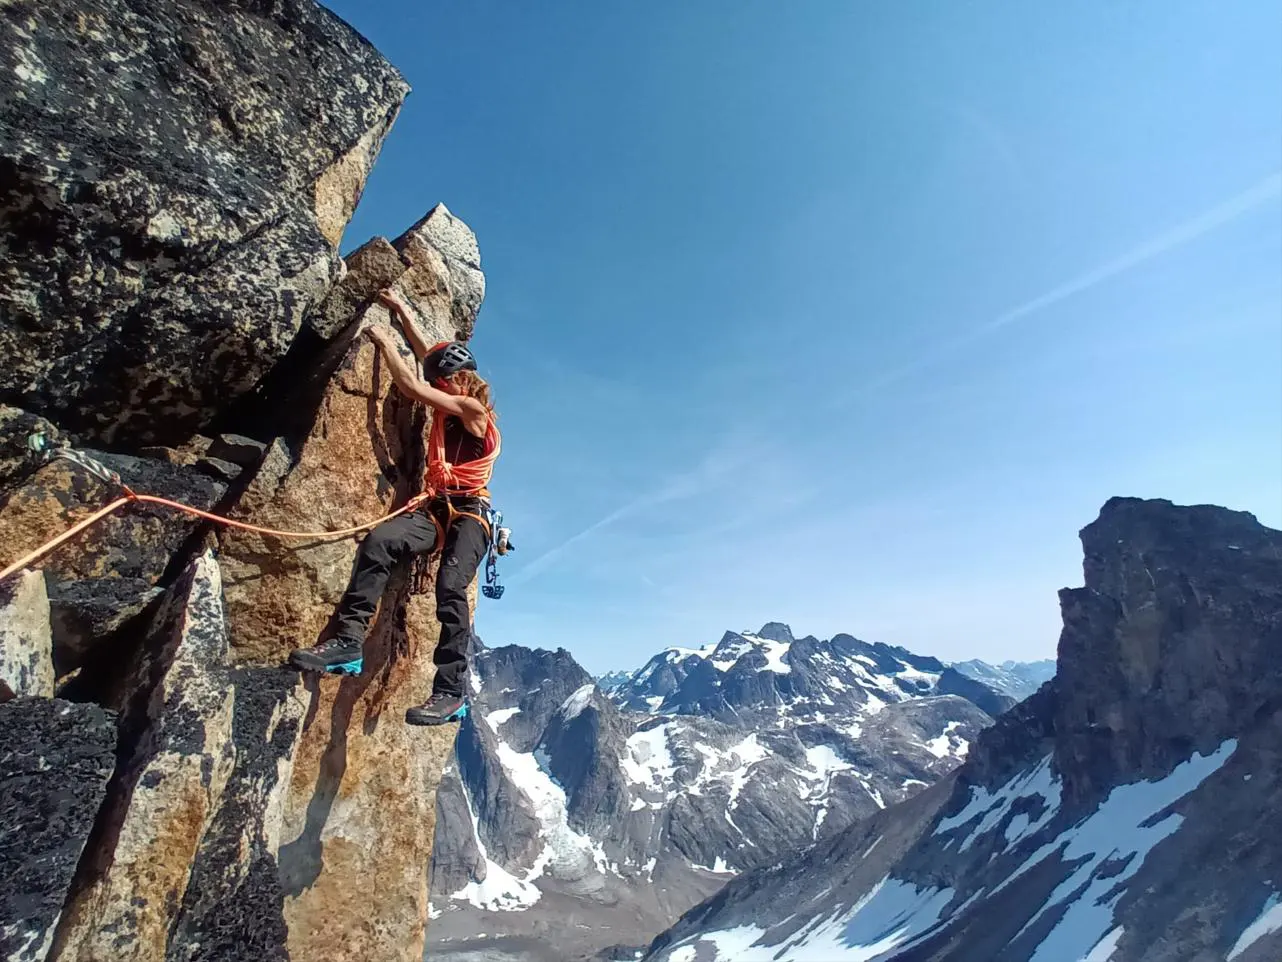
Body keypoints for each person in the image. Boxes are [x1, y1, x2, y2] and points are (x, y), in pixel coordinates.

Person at [288, 288, 501, 726]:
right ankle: (348, 642)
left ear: (457, 381)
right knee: (381, 540)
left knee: (450, 586)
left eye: (445, 380)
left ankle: (449, 691)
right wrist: (401, 309)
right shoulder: (455, 394)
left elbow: (413, 383)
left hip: (471, 514)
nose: (441, 386)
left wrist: (384, 342)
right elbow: (430, 357)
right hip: (437, 510)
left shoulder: (472, 408)